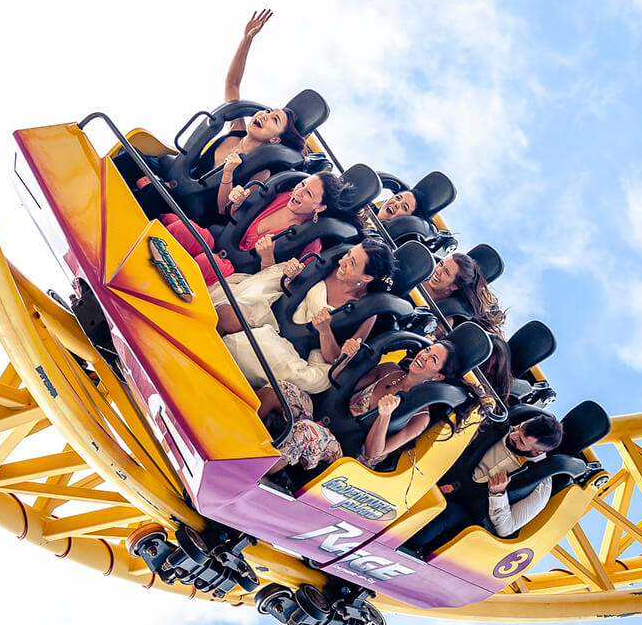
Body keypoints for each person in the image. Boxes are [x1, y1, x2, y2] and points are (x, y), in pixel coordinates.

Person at [214, 238, 396, 394]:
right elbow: (287, 287)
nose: (343, 262)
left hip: (300, 349)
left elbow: (335, 361)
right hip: (278, 312)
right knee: (226, 313)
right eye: (348, 254)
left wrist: (325, 332)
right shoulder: (331, 265)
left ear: (366, 278)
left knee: (246, 345)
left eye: (352, 263)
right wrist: (292, 275)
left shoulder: (366, 313)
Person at [258, 339, 462, 472]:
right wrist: (346, 358)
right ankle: (237, 443)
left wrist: (385, 416)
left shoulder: (420, 417)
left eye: (432, 359)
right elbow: (342, 387)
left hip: (347, 454)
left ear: (437, 376)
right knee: (280, 389)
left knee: (306, 432)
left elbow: (373, 453)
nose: (423, 356)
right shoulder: (389, 370)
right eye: (427, 350)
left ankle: (255, 474)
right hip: (332, 420)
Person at [405, 410, 563, 555]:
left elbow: (506, 529)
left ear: (537, 452)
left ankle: (402, 549)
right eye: (518, 429)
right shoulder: (498, 426)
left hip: (469, 513)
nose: (513, 436)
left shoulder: (539, 484)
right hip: (444, 479)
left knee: (445, 514)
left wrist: (498, 494)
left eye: (521, 441)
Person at [161, 171, 350, 285]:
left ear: (320, 207)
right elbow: (236, 216)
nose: (298, 192)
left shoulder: (310, 242)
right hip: (219, 241)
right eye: (302, 184)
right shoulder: (283, 195)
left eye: (308, 193)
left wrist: (267, 258)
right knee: (178, 227)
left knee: (204, 263)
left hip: (238, 272)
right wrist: (237, 201)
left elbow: (277, 286)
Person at [195, 9, 306, 182]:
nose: (264, 116)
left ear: (275, 139)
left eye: (274, 119)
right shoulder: (236, 130)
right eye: (268, 112)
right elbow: (232, 83)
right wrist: (247, 38)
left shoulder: (259, 170)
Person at [422, 253, 506, 336]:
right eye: (441, 264)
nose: (438, 271)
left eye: (446, 273)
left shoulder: (446, 316)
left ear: (454, 286)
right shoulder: (423, 270)